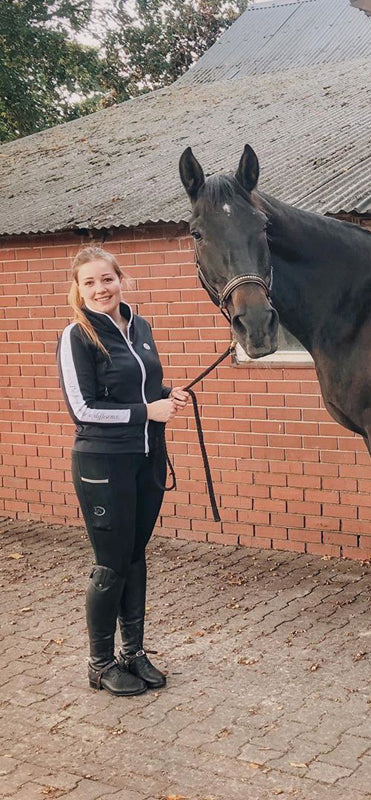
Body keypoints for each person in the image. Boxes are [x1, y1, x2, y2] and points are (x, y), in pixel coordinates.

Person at [57, 246, 189, 696]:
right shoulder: (77, 336)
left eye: (106, 279)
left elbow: (143, 388)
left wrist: (169, 394)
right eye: (89, 282)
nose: (100, 289)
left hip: (147, 458)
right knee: (111, 564)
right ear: (79, 288)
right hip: (103, 464)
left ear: (121, 279)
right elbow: (83, 408)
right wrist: (146, 412)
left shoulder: (140, 326)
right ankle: (99, 663)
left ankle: (133, 652)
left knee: (135, 556)